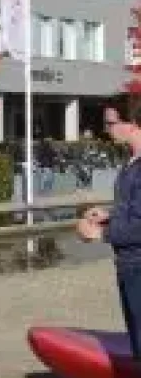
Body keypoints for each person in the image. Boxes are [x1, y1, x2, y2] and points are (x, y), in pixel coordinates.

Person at [78, 104, 141, 357]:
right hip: (128, 264)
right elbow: (133, 211)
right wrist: (109, 217)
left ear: (133, 123)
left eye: (110, 123)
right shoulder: (131, 164)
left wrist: (99, 234)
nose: (106, 130)